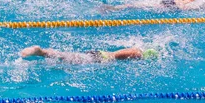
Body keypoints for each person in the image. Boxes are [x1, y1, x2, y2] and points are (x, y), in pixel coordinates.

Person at [20, 45, 159, 63]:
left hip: (97, 53)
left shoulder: (134, 49)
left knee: (66, 58)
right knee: (66, 58)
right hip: (96, 58)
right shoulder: (134, 54)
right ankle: (41, 52)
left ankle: (42, 53)